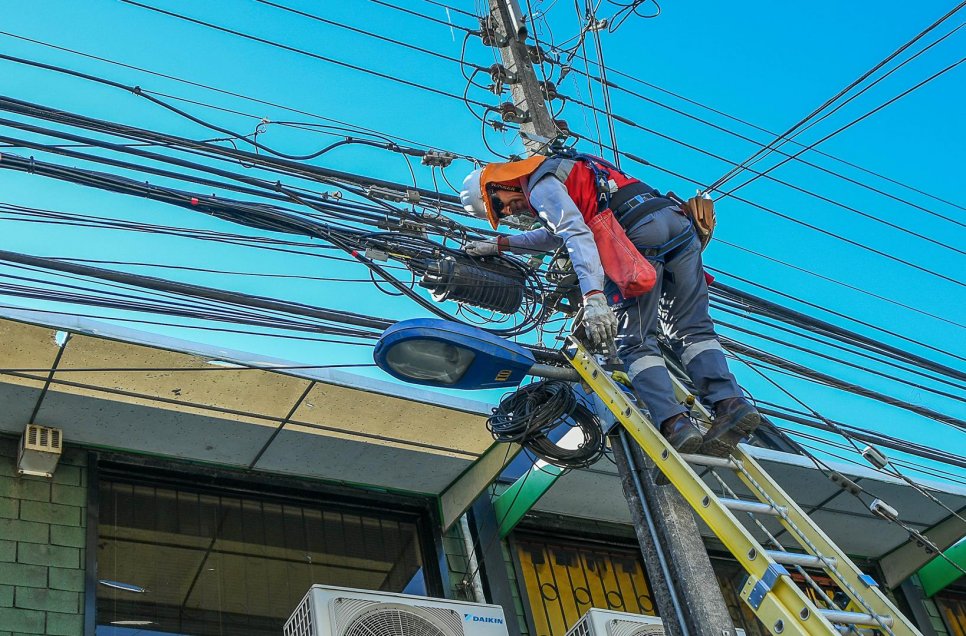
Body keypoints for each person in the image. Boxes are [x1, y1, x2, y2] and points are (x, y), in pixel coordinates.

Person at [459, 152, 760, 454]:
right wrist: (501, 244)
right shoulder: (560, 168)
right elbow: (557, 235)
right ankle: (731, 405)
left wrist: (593, 296)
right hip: (677, 225)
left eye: (499, 202)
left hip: (637, 236)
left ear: (501, 180)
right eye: (502, 214)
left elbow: (576, 234)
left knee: (636, 342)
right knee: (692, 330)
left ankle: (675, 424)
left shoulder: (538, 187)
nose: (509, 209)